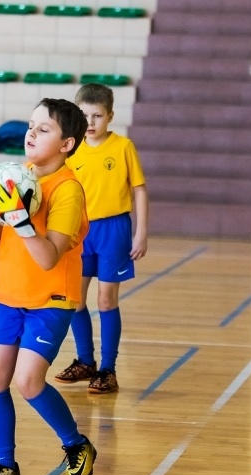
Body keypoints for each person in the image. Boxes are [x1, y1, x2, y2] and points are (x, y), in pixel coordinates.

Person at [0, 98, 96, 475]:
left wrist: (20, 221)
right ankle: (4, 465)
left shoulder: (68, 191)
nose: (31, 133)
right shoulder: (15, 176)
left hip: (50, 298)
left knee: (28, 381)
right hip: (9, 294)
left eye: (44, 129)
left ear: (67, 143)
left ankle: (77, 445)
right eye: (31, 125)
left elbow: (49, 256)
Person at [53, 83, 149, 394]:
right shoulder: (70, 148)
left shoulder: (123, 147)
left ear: (110, 116)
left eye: (97, 116)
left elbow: (139, 190)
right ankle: (85, 362)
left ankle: (108, 369)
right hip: (79, 231)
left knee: (106, 299)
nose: (91, 122)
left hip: (114, 230)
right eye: (84, 115)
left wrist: (141, 232)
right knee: (75, 299)